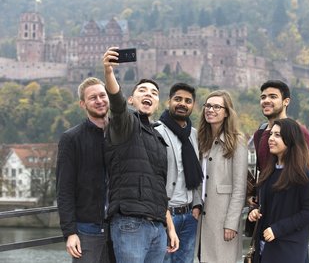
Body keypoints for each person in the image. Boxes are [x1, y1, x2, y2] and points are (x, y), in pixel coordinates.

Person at [102, 47, 179, 263]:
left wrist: (169, 228)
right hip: (130, 223)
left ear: (157, 103)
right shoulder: (125, 124)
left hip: (157, 226)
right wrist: (108, 72)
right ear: (131, 100)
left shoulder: (158, 138)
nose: (149, 94)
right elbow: (116, 103)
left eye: (154, 93)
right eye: (142, 90)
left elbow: (159, 190)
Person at [56, 77, 115, 263]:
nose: (99, 100)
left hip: (120, 228)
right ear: (83, 104)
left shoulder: (120, 133)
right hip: (88, 229)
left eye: (102, 95)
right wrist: (70, 232)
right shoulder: (71, 138)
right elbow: (64, 189)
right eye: (92, 98)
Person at [248, 118, 309, 263]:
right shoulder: (268, 172)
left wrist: (278, 229)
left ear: (291, 139)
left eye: (277, 135)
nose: (271, 139)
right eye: (271, 134)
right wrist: (254, 211)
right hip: (263, 248)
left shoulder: (305, 177)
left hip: (288, 250)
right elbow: (265, 203)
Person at [197, 90, 248, 263]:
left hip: (223, 218)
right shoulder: (201, 139)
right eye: (208, 106)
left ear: (226, 112)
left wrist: (232, 223)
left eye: (217, 106)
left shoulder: (237, 141)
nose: (211, 110)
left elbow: (239, 188)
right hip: (201, 218)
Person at [155, 83, 203, 263]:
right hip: (166, 215)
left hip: (190, 216)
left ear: (193, 105)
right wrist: (165, 214)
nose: (182, 104)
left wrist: (197, 205)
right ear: (169, 102)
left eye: (187, 101)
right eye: (178, 99)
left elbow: (198, 173)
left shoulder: (194, 135)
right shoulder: (156, 132)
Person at [248, 79, 309, 206]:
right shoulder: (260, 134)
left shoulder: (299, 132)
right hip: (262, 209)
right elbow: (263, 171)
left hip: (288, 209)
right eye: (263, 97)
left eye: (273, 96)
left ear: (286, 101)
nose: (266, 100)